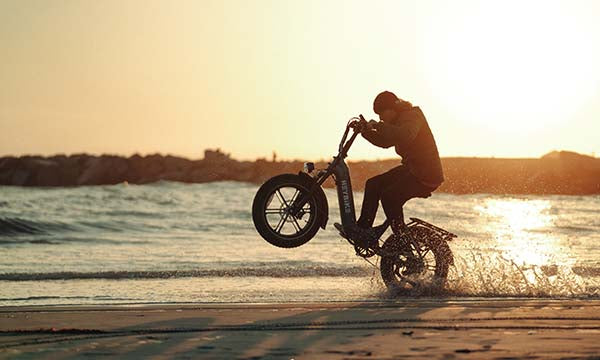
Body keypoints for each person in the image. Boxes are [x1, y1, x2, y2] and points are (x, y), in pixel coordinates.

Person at [340, 91, 444, 248]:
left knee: (389, 197)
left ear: (392, 108)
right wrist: (365, 131)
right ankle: (363, 231)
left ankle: (403, 244)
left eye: (382, 113)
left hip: (426, 174)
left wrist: (377, 125)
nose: (381, 118)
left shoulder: (413, 115)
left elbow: (406, 135)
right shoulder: (397, 121)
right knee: (373, 184)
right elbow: (385, 142)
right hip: (412, 169)